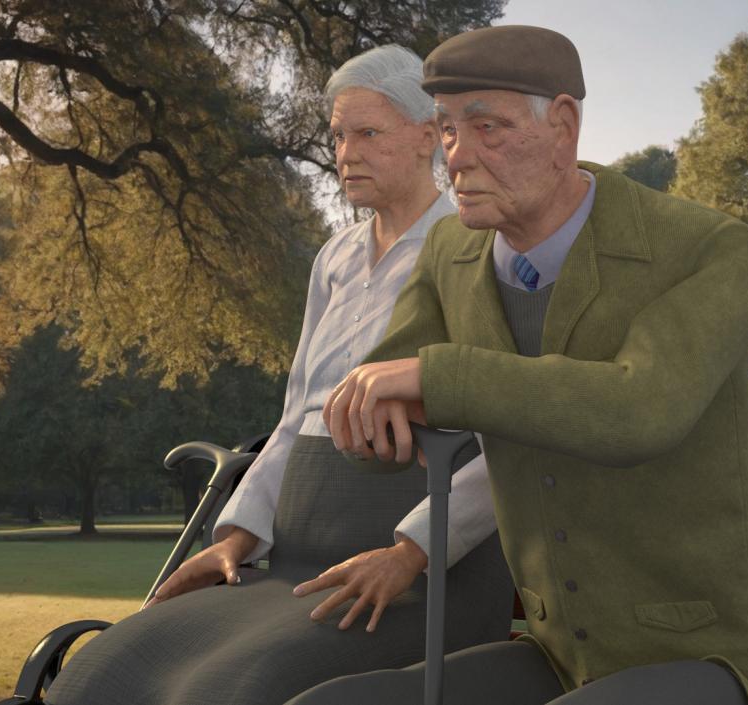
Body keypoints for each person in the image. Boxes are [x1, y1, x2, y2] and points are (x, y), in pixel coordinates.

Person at [299, 25, 748, 705]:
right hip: (557, 649)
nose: (457, 157)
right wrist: (369, 425)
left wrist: (437, 380)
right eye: (446, 129)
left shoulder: (711, 251)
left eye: (486, 127)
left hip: (706, 653)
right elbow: (390, 404)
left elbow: (639, 410)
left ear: (562, 125)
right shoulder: (450, 253)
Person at [43, 45, 513, 705]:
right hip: (290, 564)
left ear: (428, 137)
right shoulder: (334, 259)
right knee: (103, 667)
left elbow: (510, 440)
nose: (345, 152)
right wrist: (234, 537)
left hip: (421, 578)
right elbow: (294, 416)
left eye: (368, 133)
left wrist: (410, 551)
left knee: (228, 688)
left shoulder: (481, 250)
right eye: (339, 135)